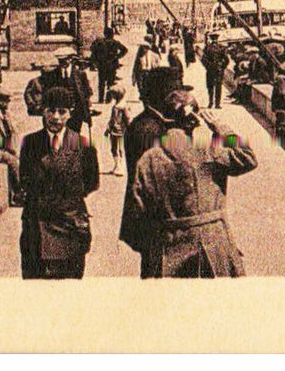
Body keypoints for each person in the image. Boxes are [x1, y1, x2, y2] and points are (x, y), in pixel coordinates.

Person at [128, 84, 258, 277]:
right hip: (213, 246)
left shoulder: (148, 159)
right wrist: (222, 128)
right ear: (194, 121)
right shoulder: (208, 151)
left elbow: (138, 212)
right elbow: (248, 157)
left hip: (168, 249)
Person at [17, 86, 101, 279]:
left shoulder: (83, 145)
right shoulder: (30, 143)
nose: (56, 117)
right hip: (36, 228)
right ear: (43, 112)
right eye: (50, 111)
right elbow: (25, 180)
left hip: (70, 226)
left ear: (70, 114)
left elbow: (91, 182)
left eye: (62, 112)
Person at [119, 66, 181, 256]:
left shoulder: (151, 122)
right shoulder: (147, 129)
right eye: (175, 96)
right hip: (152, 221)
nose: (179, 102)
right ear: (165, 98)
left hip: (151, 218)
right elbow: (157, 177)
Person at [25, 55, 93, 133]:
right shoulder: (52, 74)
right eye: (60, 61)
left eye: (65, 60)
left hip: (76, 112)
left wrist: (87, 108)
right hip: (60, 112)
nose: (63, 63)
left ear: (70, 59)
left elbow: (87, 92)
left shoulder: (80, 74)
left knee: (74, 135)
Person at [89, 26, 127, 96]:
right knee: (110, 82)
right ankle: (108, 98)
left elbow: (93, 50)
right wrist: (117, 57)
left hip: (102, 64)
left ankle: (101, 98)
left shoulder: (99, 42)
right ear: (112, 34)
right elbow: (124, 50)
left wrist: (96, 60)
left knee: (101, 82)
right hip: (112, 64)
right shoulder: (115, 42)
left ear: (105, 34)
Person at [103, 86, 130, 175]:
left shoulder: (120, 107)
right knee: (116, 148)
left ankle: (119, 166)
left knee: (117, 148)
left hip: (119, 130)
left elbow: (126, 118)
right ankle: (117, 165)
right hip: (117, 129)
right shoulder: (120, 106)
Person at [201, 33, 229, 109]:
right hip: (219, 70)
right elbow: (226, 60)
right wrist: (222, 67)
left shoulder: (207, 48)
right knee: (218, 87)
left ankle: (210, 103)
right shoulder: (222, 47)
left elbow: (203, 59)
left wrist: (208, 66)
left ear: (211, 39)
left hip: (210, 70)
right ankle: (217, 104)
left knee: (210, 86)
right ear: (217, 39)